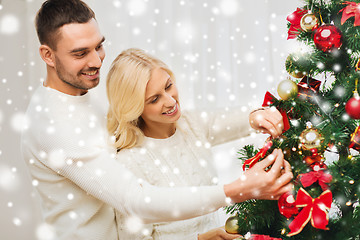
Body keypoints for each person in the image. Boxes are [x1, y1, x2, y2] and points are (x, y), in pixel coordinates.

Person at [21, 0, 293, 239]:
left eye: (99, 46)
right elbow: (136, 201)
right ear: (48, 55)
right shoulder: (53, 127)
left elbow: (197, 124)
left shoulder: (86, 91)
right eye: (80, 53)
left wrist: (252, 116)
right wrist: (236, 190)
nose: (97, 61)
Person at [105, 48, 291, 240]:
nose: (170, 101)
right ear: (134, 108)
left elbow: (232, 120)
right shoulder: (128, 163)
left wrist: (256, 116)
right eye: (154, 99)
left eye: (168, 86)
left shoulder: (190, 124)